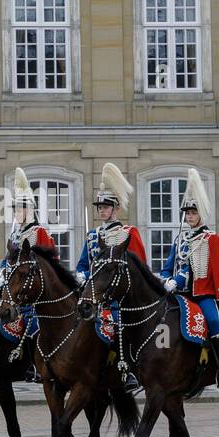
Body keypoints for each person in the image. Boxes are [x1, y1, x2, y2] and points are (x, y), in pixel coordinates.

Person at [159, 169, 219, 388]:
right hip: (179, 293)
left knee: (213, 321)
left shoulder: (210, 238)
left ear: (201, 214)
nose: (189, 217)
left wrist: (182, 279)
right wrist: (166, 280)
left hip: (202, 293)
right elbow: (168, 266)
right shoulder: (179, 239)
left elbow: (218, 269)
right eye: (187, 213)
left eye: (193, 213)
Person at [74, 162, 147, 390]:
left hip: (118, 295)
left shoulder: (127, 233)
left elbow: (139, 267)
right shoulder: (92, 236)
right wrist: (81, 275)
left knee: (121, 325)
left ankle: (128, 370)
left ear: (115, 208)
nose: (102, 211)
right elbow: (83, 263)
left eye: (106, 207)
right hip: (95, 293)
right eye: (99, 207)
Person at [0, 167, 57, 382]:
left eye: (20, 209)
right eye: (16, 209)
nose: (17, 213)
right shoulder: (15, 236)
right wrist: (1, 273)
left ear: (30, 210)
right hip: (16, 289)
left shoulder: (39, 233)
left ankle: (35, 366)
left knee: (34, 323)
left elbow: (50, 263)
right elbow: (7, 261)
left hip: (35, 292)